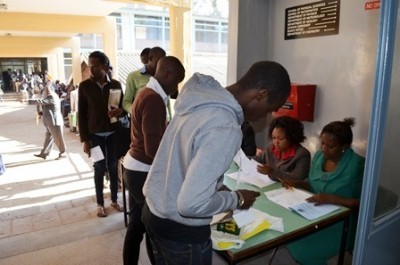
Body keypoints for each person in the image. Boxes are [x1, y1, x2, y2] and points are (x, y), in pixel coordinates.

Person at [142, 61, 291, 265]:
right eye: (269, 109)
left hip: (154, 212)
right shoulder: (226, 126)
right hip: (182, 233)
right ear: (261, 94)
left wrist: (214, 186)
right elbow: (190, 204)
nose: (264, 117)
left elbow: (183, 157)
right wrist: (236, 199)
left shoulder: (199, 99)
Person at [122, 56, 185, 265]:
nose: (175, 88)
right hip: (142, 171)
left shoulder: (147, 93)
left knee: (137, 225)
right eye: (176, 81)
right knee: (153, 227)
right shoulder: (153, 99)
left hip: (134, 167)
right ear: (166, 74)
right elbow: (153, 149)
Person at [281, 118, 365, 265]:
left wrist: (332, 199)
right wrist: (297, 184)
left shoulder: (357, 165)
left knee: (305, 250)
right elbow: (312, 183)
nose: (324, 149)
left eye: (330, 146)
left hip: (341, 223)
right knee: (288, 232)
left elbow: (363, 204)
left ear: (344, 146)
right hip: (315, 214)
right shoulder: (320, 156)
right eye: (323, 144)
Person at [78, 51, 125, 218]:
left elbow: (123, 107)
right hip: (95, 136)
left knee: (113, 167)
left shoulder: (116, 85)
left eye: (95, 65)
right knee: (99, 168)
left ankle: (114, 200)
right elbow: (81, 115)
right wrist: (85, 140)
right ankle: (100, 204)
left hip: (113, 134)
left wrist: (121, 111)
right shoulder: (84, 87)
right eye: (90, 65)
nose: (91, 68)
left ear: (105, 66)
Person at [255, 115, 311, 181]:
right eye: (273, 138)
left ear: (291, 137)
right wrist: (245, 158)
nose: (276, 142)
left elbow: (297, 178)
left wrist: (272, 171)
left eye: (281, 139)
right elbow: (259, 159)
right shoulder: (271, 148)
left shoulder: (302, 154)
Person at [122, 47, 165, 114]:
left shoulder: (163, 77)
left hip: (162, 120)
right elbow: (126, 102)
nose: (160, 65)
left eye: (162, 63)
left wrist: (170, 119)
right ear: (150, 58)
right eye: (158, 62)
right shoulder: (133, 76)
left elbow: (166, 102)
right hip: (141, 120)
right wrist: (136, 112)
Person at [29, 82, 66, 160]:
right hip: (50, 122)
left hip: (55, 122)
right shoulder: (51, 96)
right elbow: (49, 108)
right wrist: (41, 113)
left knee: (58, 139)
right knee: (48, 138)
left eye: (47, 89)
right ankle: (44, 153)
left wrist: (29, 101)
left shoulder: (51, 96)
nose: (45, 91)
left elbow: (41, 101)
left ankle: (63, 153)